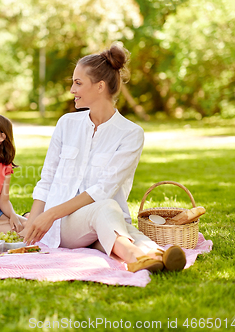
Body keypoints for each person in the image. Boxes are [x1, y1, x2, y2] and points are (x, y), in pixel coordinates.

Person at [21, 45, 186, 273]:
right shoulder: (66, 124)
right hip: (63, 225)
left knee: (118, 227)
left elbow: (104, 188)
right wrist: (38, 218)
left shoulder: (131, 133)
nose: (71, 89)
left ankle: (154, 255)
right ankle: (134, 256)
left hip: (107, 219)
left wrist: (49, 213)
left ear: (100, 87)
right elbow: (47, 179)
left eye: (78, 83)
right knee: (106, 209)